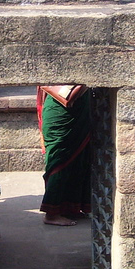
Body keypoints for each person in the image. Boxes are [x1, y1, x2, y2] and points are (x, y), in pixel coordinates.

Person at [36, 85, 92, 226]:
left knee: (78, 161)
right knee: (59, 162)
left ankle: (70, 207)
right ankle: (51, 213)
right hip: (60, 111)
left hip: (79, 108)